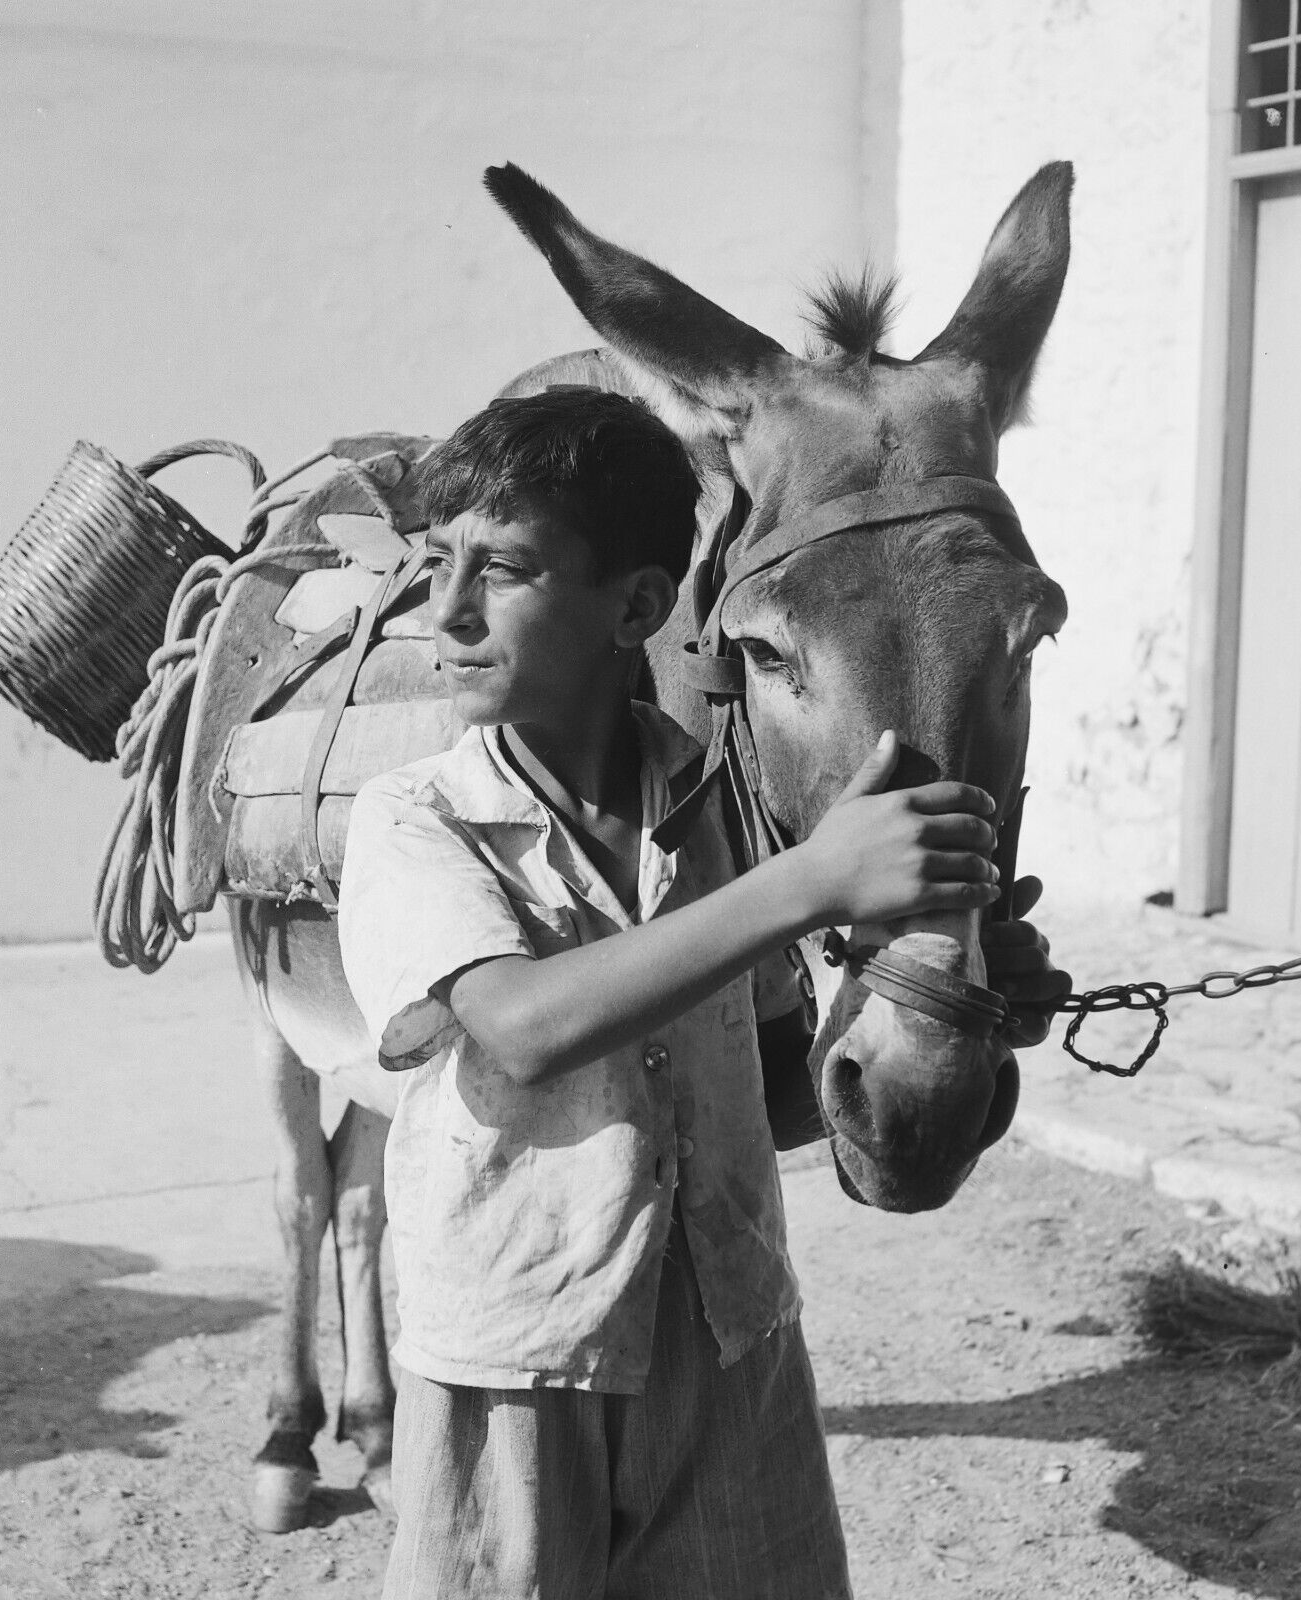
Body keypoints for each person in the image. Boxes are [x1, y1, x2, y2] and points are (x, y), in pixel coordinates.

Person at [338, 389, 1062, 1599]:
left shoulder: (720, 812)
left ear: (636, 607)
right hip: (516, 1360)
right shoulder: (415, 817)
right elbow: (520, 1027)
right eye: (436, 564)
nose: (446, 611)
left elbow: (773, 1094)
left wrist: (961, 1020)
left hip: (731, 1342)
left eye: (499, 570)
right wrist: (810, 882)